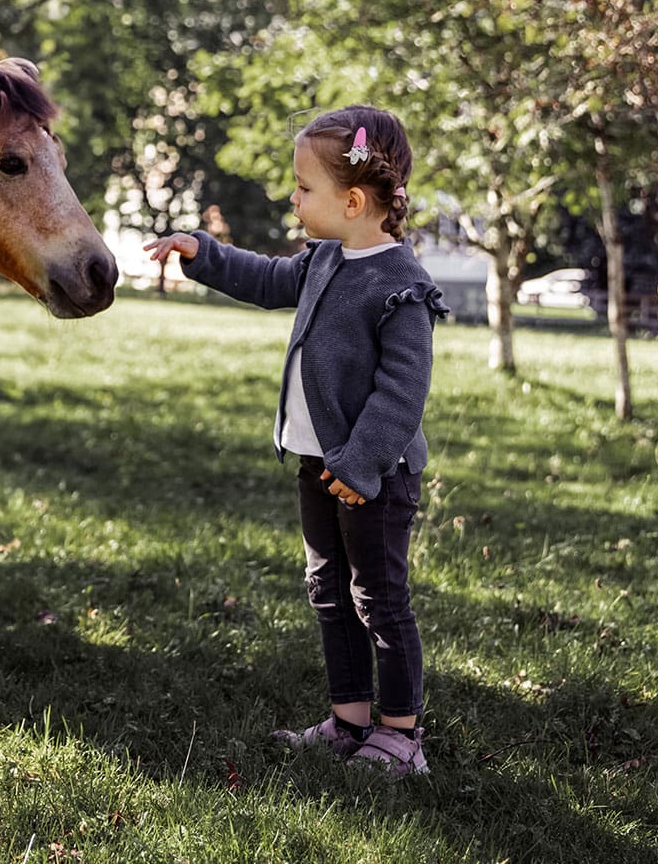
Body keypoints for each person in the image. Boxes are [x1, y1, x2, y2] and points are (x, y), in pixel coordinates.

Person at [144, 106, 448, 776]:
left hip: (374, 474)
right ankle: (349, 720)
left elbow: (402, 393)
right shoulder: (323, 261)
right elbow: (265, 279)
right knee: (329, 589)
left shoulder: (402, 285)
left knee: (380, 599)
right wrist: (206, 253)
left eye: (303, 188)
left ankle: (401, 736)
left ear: (352, 199)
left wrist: (361, 464)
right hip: (318, 465)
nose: (294, 197)